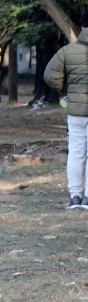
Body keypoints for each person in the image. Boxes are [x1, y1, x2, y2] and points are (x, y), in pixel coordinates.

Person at [43, 14, 88, 209]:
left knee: (76, 152)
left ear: (82, 27)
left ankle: (75, 196)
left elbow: (49, 75)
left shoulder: (67, 51)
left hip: (75, 111)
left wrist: (65, 91)